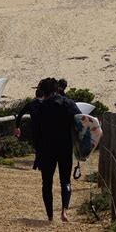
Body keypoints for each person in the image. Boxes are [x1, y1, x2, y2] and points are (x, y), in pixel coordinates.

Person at [34, 78, 81, 222]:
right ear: (56, 89)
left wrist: (37, 152)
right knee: (65, 181)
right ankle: (64, 212)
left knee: (46, 183)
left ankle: (49, 216)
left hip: (46, 148)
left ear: (43, 91)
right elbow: (81, 121)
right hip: (65, 147)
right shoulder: (68, 103)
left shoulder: (40, 107)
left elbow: (35, 132)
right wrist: (82, 148)